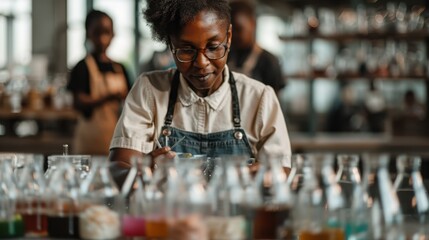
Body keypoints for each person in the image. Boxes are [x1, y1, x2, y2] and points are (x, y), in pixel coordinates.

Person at [108, 0, 291, 183]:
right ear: (171, 44)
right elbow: (117, 168)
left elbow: (282, 172)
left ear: (228, 37)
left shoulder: (259, 98)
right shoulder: (149, 90)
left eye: (213, 48)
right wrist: (144, 168)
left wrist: (262, 175)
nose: (201, 63)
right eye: (187, 50)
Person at [67, 10, 132, 155]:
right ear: (88, 33)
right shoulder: (81, 67)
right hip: (88, 142)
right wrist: (107, 97)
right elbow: (78, 101)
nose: (102, 38)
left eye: (106, 32)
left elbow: (131, 99)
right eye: (97, 33)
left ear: (113, 34)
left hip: (116, 140)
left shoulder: (120, 68)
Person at [227, 0, 285, 94]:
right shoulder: (225, 57)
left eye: (239, 29)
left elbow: (274, 104)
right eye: (229, 30)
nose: (234, 35)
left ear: (252, 23)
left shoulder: (268, 61)